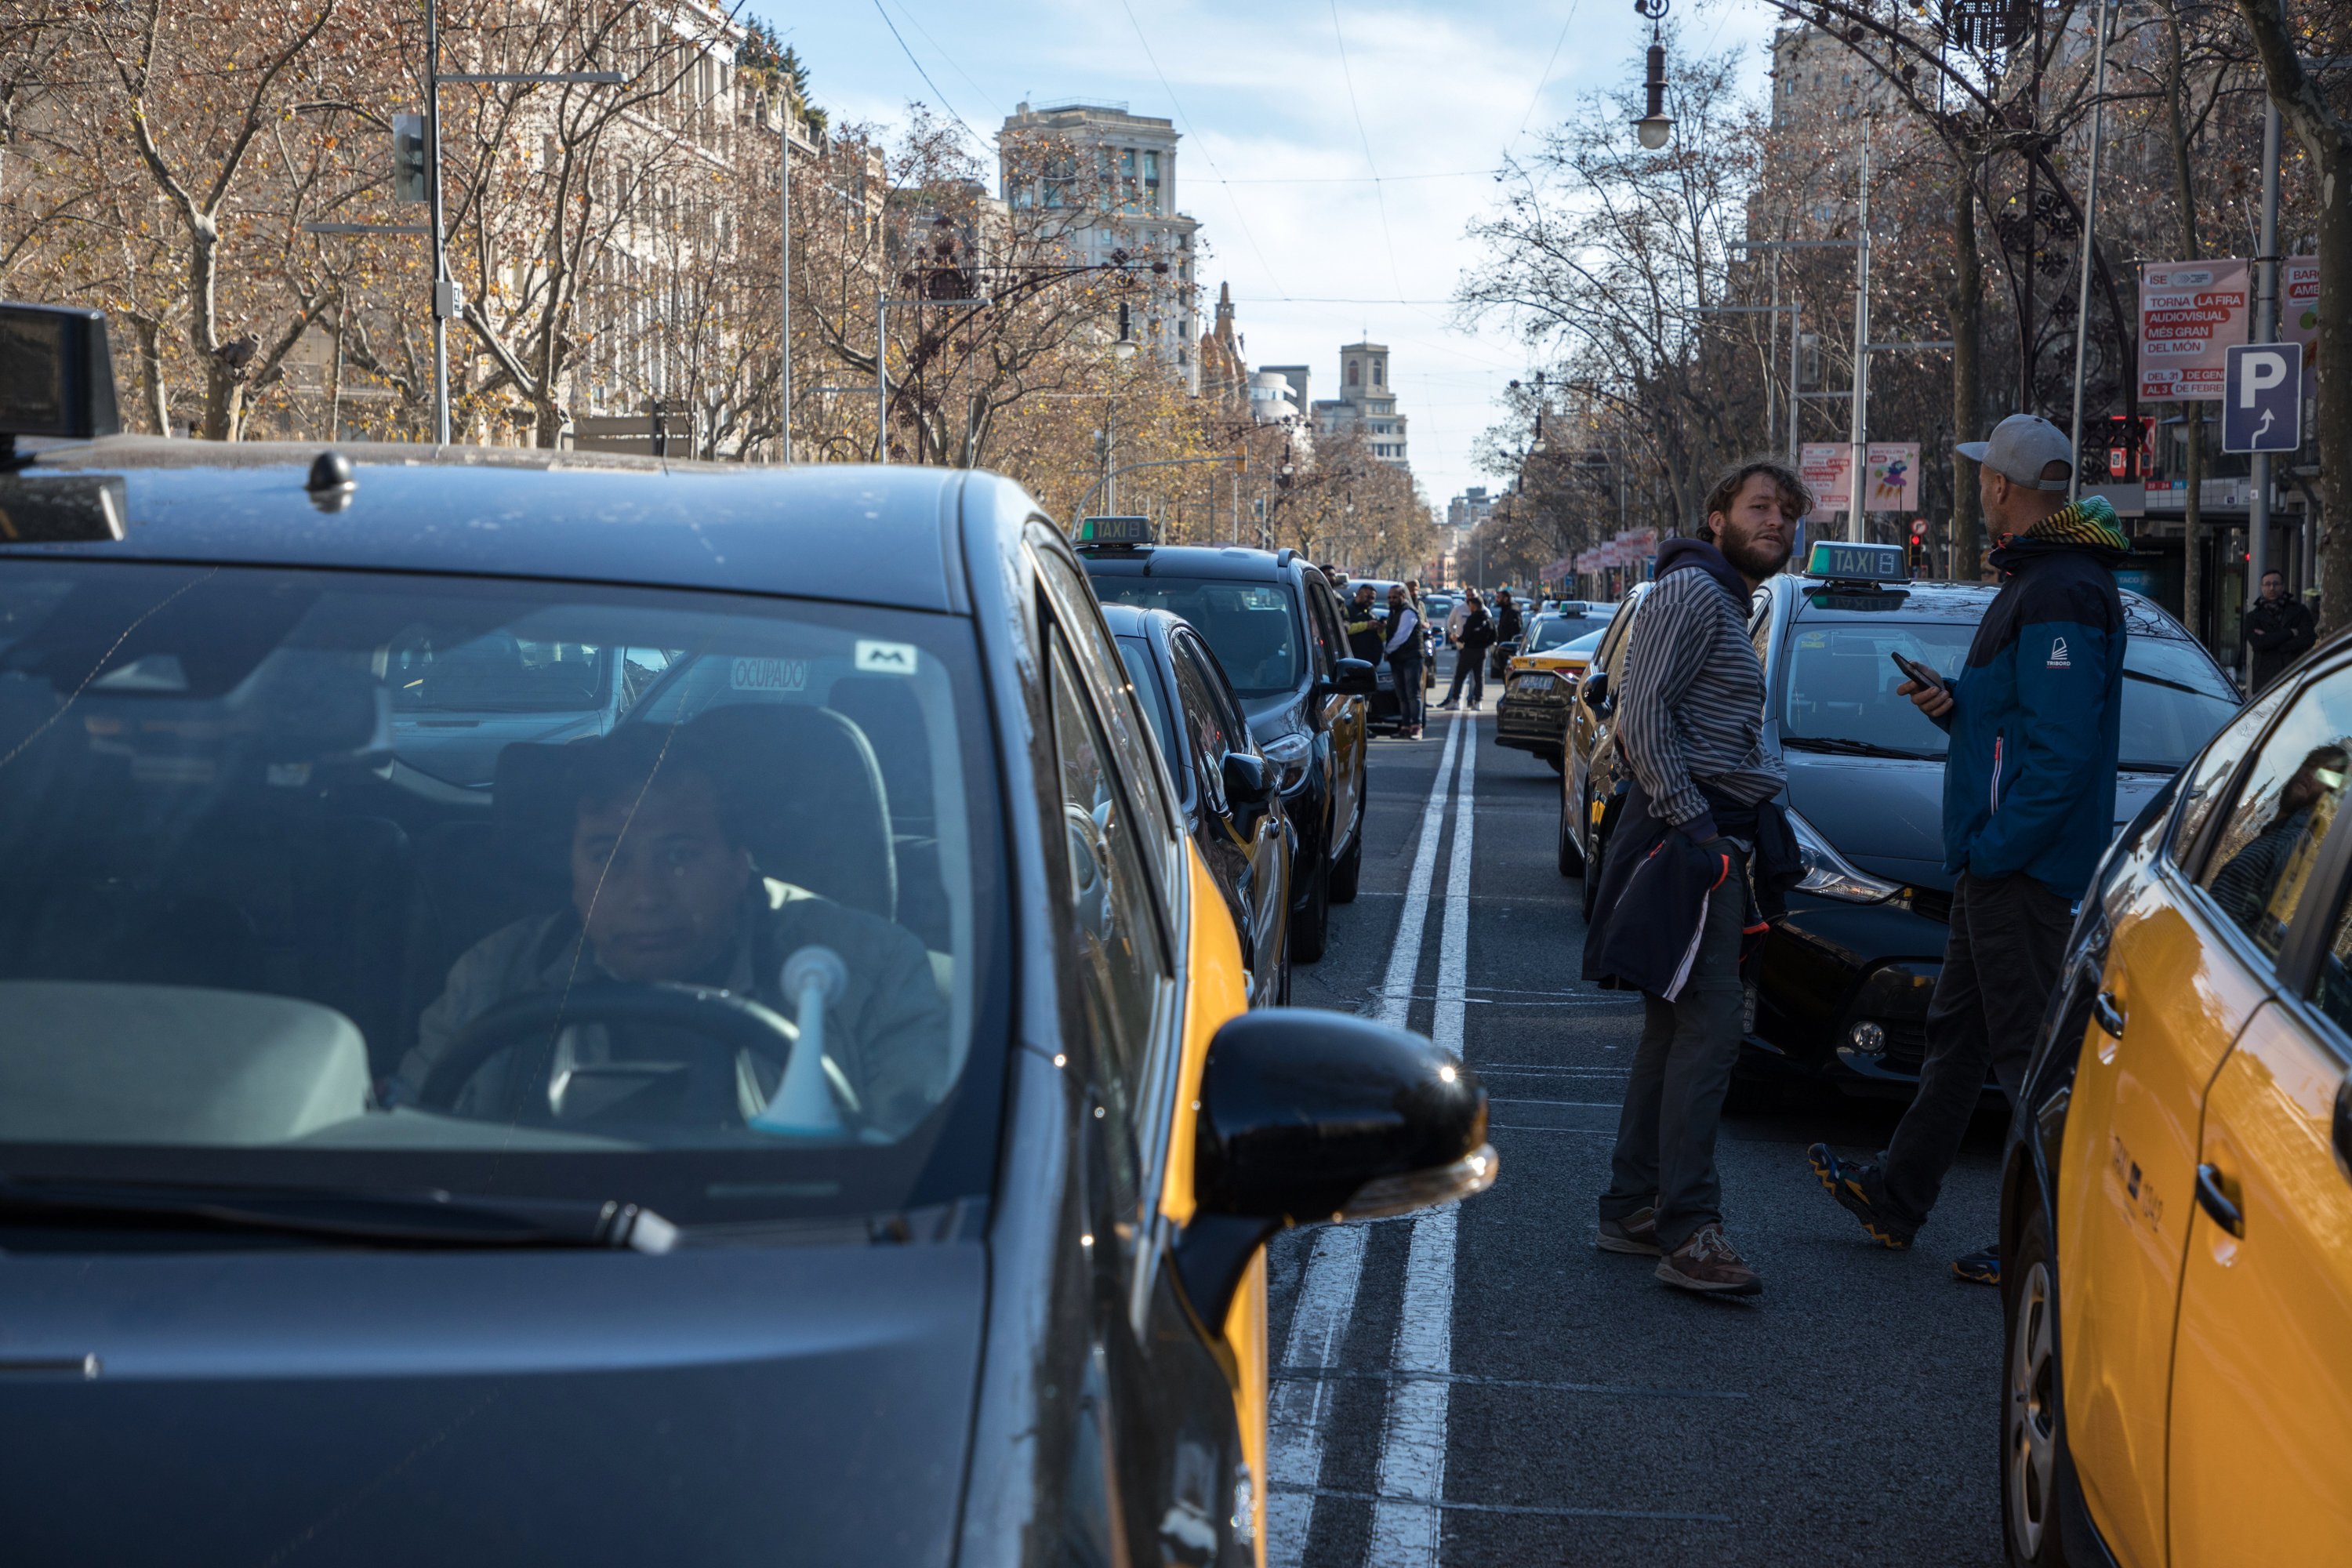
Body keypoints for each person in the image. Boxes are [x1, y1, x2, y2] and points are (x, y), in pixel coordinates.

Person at [1808, 412, 2131, 1286]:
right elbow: (2030, 722)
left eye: (1985, 475)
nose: (1979, 486)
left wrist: (1995, 849)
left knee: (2025, 1054)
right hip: (2006, 858)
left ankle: (2051, 1247)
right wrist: (1958, 706)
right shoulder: (2052, 578)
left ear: (2000, 487)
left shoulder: (2060, 588)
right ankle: (1897, 1194)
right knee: (1960, 1036)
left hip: (2019, 866)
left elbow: (2059, 754)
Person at [394, 724, 950, 1134]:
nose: (645, 897)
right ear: (571, 867)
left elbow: (917, 1170)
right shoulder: (493, 978)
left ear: (741, 862)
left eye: (679, 855)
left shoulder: (869, 970)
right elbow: (406, 1149)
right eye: (607, 854)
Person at [1588, 458, 1806, 1297]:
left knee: (1675, 1029)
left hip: (1710, 832)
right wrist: (1702, 829)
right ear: (1716, 517)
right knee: (1712, 1031)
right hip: (1696, 836)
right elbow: (1639, 714)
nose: (1777, 523)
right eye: (1760, 508)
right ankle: (1689, 1230)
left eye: (1788, 512)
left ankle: (1632, 1207)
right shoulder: (1692, 593)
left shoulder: (1724, 598)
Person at [2244, 568, 2316, 692]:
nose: (2272, 588)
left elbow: (2308, 639)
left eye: (2276, 584)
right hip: (2264, 679)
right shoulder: (2253, 617)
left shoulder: (2300, 611)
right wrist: (2290, 633)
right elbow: (2258, 643)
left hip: (2293, 674)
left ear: (2283, 587)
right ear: (2262, 587)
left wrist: (2271, 640)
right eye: (2268, 584)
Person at [1437, 590, 1494, 710]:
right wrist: (1485, 644)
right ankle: (1478, 702)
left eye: (1472, 598)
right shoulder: (1487, 617)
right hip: (1480, 651)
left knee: (1461, 676)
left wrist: (1458, 639)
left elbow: (1466, 636)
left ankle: (1457, 700)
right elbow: (1494, 635)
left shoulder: (1473, 619)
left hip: (1469, 650)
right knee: (1479, 677)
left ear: (1474, 605)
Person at [1384, 583, 1425, 738]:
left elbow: (1401, 635)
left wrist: (1387, 651)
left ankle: (1416, 727)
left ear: (1403, 596)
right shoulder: (1393, 612)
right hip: (1398, 659)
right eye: (1389, 597)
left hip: (1411, 658)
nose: (1391, 600)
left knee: (1412, 694)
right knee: (1402, 695)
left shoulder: (1408, 612)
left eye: (1395, 597)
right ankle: (1406, 726)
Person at [1344, 582, 1385, 666]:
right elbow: (1344, 629)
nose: (1369, 600)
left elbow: (1383, 638)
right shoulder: (1347, 610)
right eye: (1367, 597)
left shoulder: (1372, 615)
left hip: (1371, 663)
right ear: (1358, 595)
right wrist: (1366, 625)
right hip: (1353, 662)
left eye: (1372, 598)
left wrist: (1381, 630)